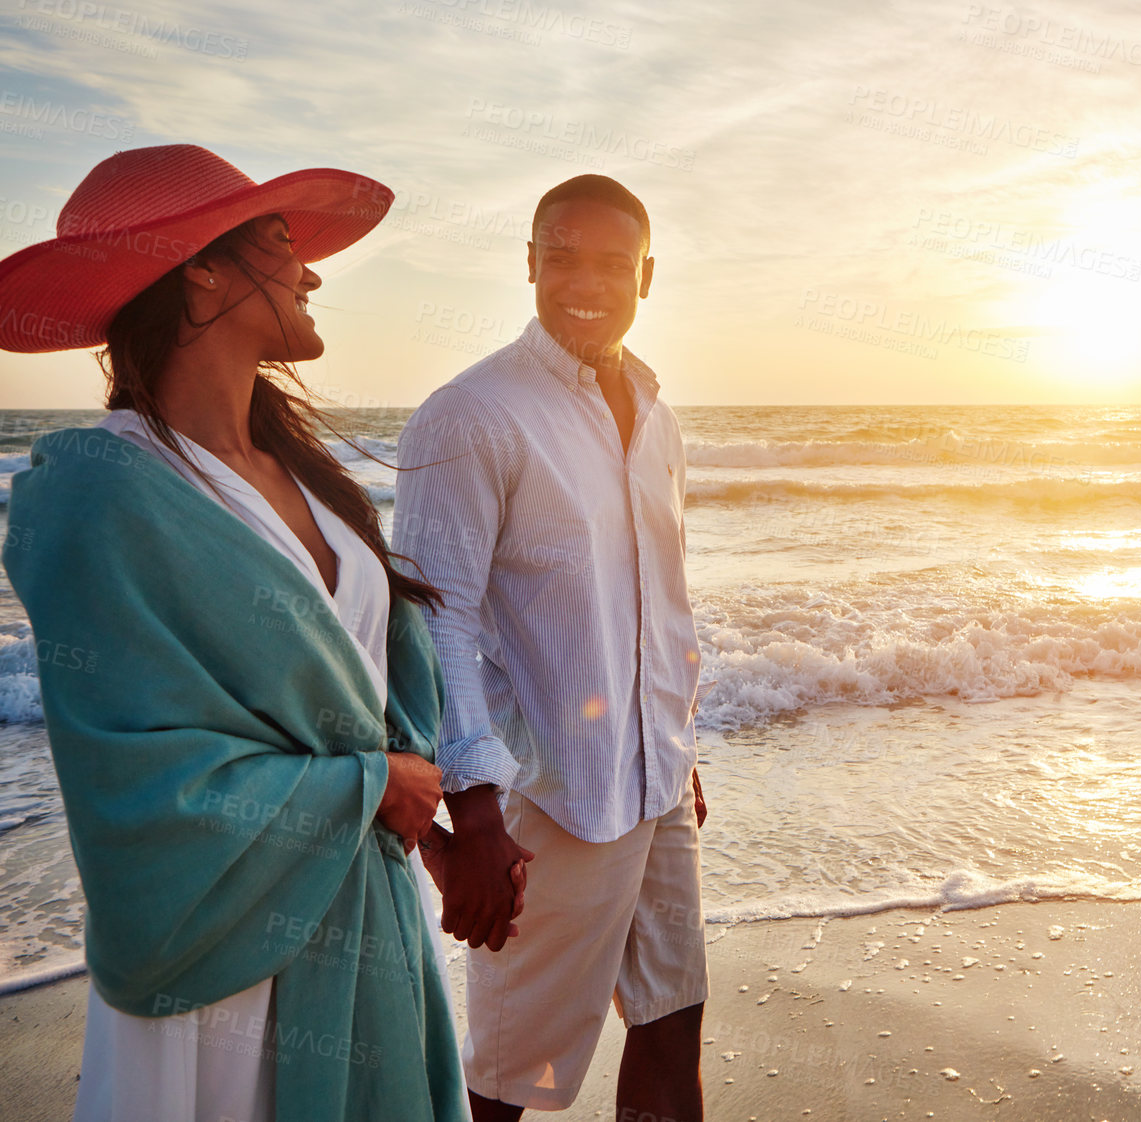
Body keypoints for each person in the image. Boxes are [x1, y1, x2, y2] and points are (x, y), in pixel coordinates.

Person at [0, 144, 475, 1122]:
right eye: (282, 240)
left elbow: (379, 683)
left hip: (361, 907)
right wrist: (365, 783)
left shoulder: (306, 476)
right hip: (223, 958)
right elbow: (132, 777)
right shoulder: (103, 491)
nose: (312, 270)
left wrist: (416, 776)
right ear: (200, 267)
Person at [394, 174, 707, 1122]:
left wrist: (678, 745)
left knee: (673, 1021)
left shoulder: (655, 411)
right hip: (546, 796)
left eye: (613, 262)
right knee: (511, 1078)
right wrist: (474, 810)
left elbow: (662, 598)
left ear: (647, 276)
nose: (585, 281)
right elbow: (434, 620)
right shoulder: (471, 415)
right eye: (561, 256)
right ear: (529, 263)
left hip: (653, 785)